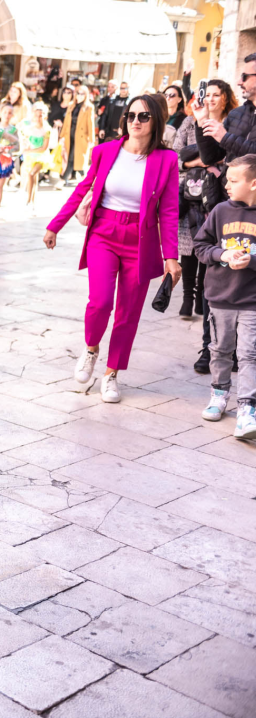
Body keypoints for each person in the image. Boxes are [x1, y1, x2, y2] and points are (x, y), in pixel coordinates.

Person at [43, 94, 181, 404]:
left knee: (128, 313)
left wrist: (171, 257)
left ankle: (112, 373)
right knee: (101, 302)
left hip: (141, 240)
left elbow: (169, 211)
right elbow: (83, 189)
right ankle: (91, 348)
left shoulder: (167, 160)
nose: (135, 121)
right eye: (131, 115)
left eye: (143, 116)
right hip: (104, 233)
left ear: (155, 121)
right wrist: (55, 225)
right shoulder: (105, 151)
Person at [192, 54, 256, 372]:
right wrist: (201, 121)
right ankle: (212, 348)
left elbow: (253, 158)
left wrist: (226, 138)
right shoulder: (240, 113)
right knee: (216, 275)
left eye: (248, 75)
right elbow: (211, 155)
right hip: (226, 206)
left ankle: (244, 353)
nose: (242, 81)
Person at [193, 154, 256, 438]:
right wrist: (223, 254)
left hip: (252, 301)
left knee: (249, 354)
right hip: (220, 299)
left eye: (233, 180)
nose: (226, 185)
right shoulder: (219, 211)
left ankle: (248, 407)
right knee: (219, 350)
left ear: (253, 184)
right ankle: (219, 394)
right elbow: (201, 246)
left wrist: (250, 259)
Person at [174, 81, 235, 322]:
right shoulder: (190, 122)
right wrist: (197, 163)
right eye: (206, 94)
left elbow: (234, 156)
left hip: (218, 192)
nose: (210, 99)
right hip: (191, 191)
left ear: (225, 98)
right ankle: (188, 298)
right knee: (188, 247)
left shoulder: (230, 123)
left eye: (215, 95)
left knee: (208, 244)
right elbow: (175, 154)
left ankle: (201, 297)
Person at [18, 102, 52, 210]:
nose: (38, 117)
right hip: (30, 157)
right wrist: (25, 146)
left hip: (41, 157)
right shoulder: (29, 128)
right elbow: (24, 138)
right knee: (34, 177)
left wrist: (30, 150)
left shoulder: (46, 130)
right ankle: (32, 201)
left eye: (40, 115)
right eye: (36, 115)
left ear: (44, 116)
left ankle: (29, 200)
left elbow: (44, 148)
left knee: (31, 174)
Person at [61, 85, 97, 184]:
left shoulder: (89, 107)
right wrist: (62, 135)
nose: (80, 96)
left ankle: (63, 179)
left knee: (73, 157)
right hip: (70, 135)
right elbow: (66, 122)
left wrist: (91, 139)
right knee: (73, 158)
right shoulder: (71, 105)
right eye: (78, 93)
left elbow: (91, 124)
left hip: (81, 136)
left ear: (86, 95)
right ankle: (84, 178)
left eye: (82, 94)